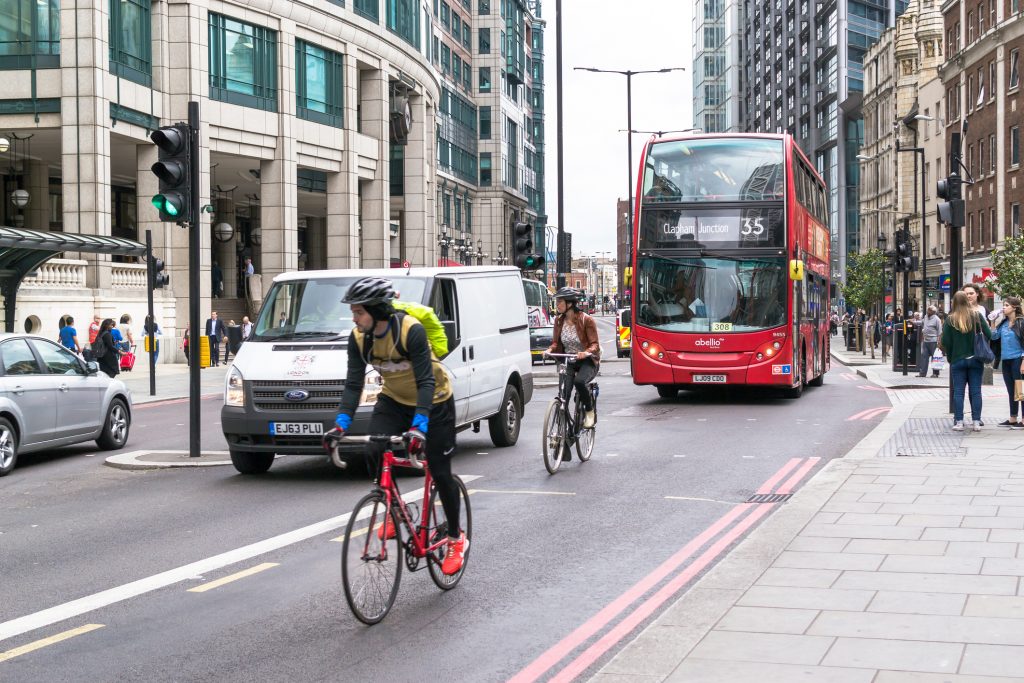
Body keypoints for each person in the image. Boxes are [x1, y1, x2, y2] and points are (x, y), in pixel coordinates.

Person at [323, 277, 465, 575]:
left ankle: (455, 538)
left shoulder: (409, 330)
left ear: (376, 310)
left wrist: (419, 428)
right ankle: (393, 508)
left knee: (439, 471)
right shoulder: (359, 338)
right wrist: (340, 425)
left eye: (358, 311)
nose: (354, 317)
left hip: (435, 401)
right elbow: (352, 384)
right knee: (375, 447)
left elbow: (426, 381)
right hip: (394, 400)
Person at [544, 287, 601, 438]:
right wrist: (550, 349)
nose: (557, 304)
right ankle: (565, 429)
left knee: (580, 382)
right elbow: (556, 343)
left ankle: (589, 412)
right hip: (568, 360)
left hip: (587, 361)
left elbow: (595, 345)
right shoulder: (559, 320)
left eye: (560, 301)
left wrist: (586, 352)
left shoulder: (586, 320)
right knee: (564, 394)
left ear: (570, 303)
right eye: (557, 301)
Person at [940, 290, 992, 432]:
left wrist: (951, 358)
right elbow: (989, 334)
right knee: (976, 391)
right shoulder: (977, 316)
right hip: (976, 359)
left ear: (954, 302)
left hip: (957, 360)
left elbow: (945, 342)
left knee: (958, 392)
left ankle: (959, 422)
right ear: (967, 301)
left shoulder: (950, 319)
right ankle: (976, 421)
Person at [991, 297, 1024, 429]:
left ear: (1014, 307)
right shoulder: (1004, 323)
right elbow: (994, 336)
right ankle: (1012, 418)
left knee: (1020, 390)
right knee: (1011, 390)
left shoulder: (1021, 322)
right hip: (1006, 360)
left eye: (1006, 305)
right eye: (1004, 305)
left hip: (1018, 359)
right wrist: (992, 321)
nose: (1003, 308)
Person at [918, 306, 943, 377]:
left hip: (933, 341)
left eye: (929, 310)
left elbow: (940, 332)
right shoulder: (925, 317)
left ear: (933, 312)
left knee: (934, 357)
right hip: (926, 340)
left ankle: (935, 373)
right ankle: (922, 373)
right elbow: (921, 322)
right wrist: (913, 322)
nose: (927, 311)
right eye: (928, 310)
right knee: (924, 357)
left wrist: (939, 343)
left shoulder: (937, 319)